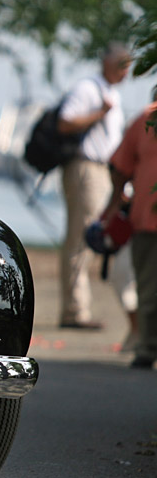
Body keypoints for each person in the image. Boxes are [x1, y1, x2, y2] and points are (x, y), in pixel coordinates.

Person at [57, 43, 133, 330]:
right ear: (107, 63)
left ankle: (78, 308)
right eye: (121, 65)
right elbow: (66, 122)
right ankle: (75, 311)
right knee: (81, 237)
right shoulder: (89, 89)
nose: (126, 72)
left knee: (91, 237)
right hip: (85, 168)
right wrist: (99, 113)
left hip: (104, 171)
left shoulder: (111, 92)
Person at [104, 92, 157, 367]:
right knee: (147, 287)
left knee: (148, 289)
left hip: (147, 216)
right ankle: (147, 347)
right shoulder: (145, 120)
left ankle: (148, 348)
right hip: (146, 219)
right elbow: (121, 166)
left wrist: (113, 203)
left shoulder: (145, 119)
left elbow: (119, 167)